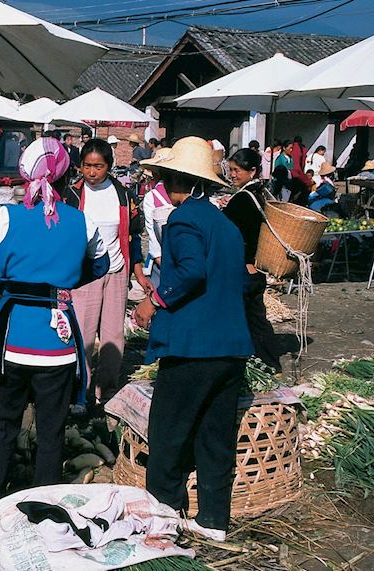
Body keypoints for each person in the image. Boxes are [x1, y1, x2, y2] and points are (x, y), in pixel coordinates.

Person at [0, 137, 108, 508]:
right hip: (57, 339)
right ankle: (44, 503)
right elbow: (104, 263)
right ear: (66, 178)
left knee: (3, 422)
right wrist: (63, 282)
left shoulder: (6, 216)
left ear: (26, 177)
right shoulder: (82, 221)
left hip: (12, 336)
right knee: (52, 426)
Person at [134, 136, 254, 543]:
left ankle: (163, 517)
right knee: (215, 436)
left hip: (193, 348)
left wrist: (153, 300)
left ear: (173, 179)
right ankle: (214, 520)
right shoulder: (225, 225)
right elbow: (241, 282)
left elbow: (190, 271)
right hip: (230, 348)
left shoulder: (184, 220)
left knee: (168, 433)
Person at [62, 138, 150, 403]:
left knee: (113, 334)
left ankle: (107, 388)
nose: (91, 172)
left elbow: (133, 236)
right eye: (87, 166)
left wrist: (138, 273)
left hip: (116, 271)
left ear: (109, 166)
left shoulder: (123, 194)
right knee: (84, 332)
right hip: (85, 274)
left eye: (98, 166)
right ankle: (81, 390)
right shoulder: (72, 195)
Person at [225, 148, 281, 372]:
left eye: (237, 170)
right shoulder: (259, 193)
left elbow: (238, 234)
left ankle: (269, 363)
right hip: (254, 268)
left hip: (246, 268)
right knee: (255, 317)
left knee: (253, 318)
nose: (232, 175)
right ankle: (264, 361)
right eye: (230, 170)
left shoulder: (242, 199)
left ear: (253, 171)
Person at [141, 150, 173, 288]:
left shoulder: (152, 196)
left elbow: (151, 230)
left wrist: (158, 256)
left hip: (163, 256)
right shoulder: (187, 192)